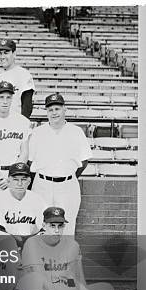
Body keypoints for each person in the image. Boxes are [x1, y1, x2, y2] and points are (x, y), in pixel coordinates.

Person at [20, 206, 116, 290]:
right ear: (44, 225)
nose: (57, 230)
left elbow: (79, 276)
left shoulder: (72, 245)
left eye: (60, 226)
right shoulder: (32, 243)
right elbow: (40, 278)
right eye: (52, 225)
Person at [28, 94, 91, 235]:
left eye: (57, 108)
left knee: (67, 226)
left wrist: (67, 176)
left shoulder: (76, 132)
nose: (54, 112)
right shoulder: (38, 133)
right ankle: (42, 257)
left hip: (68, 185)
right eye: (50, 110)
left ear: (64, 109)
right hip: (42, 184)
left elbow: (84, 161)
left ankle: (66, 257)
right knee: (41, 224)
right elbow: (30, 161)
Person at [0, 162, 47, 246]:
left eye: (23, 179)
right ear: (8, 180)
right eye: (15, 179)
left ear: (29, 181)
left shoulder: (37, 199)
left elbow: (44, 228)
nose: (20, 184)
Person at [0, 39, 35, 118]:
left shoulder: (23, 74)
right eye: (0, 54)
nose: (2, 57)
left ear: (14, 54)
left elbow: (27, 105)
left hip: (16, 123)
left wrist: (22, 123)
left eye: (6, 53)